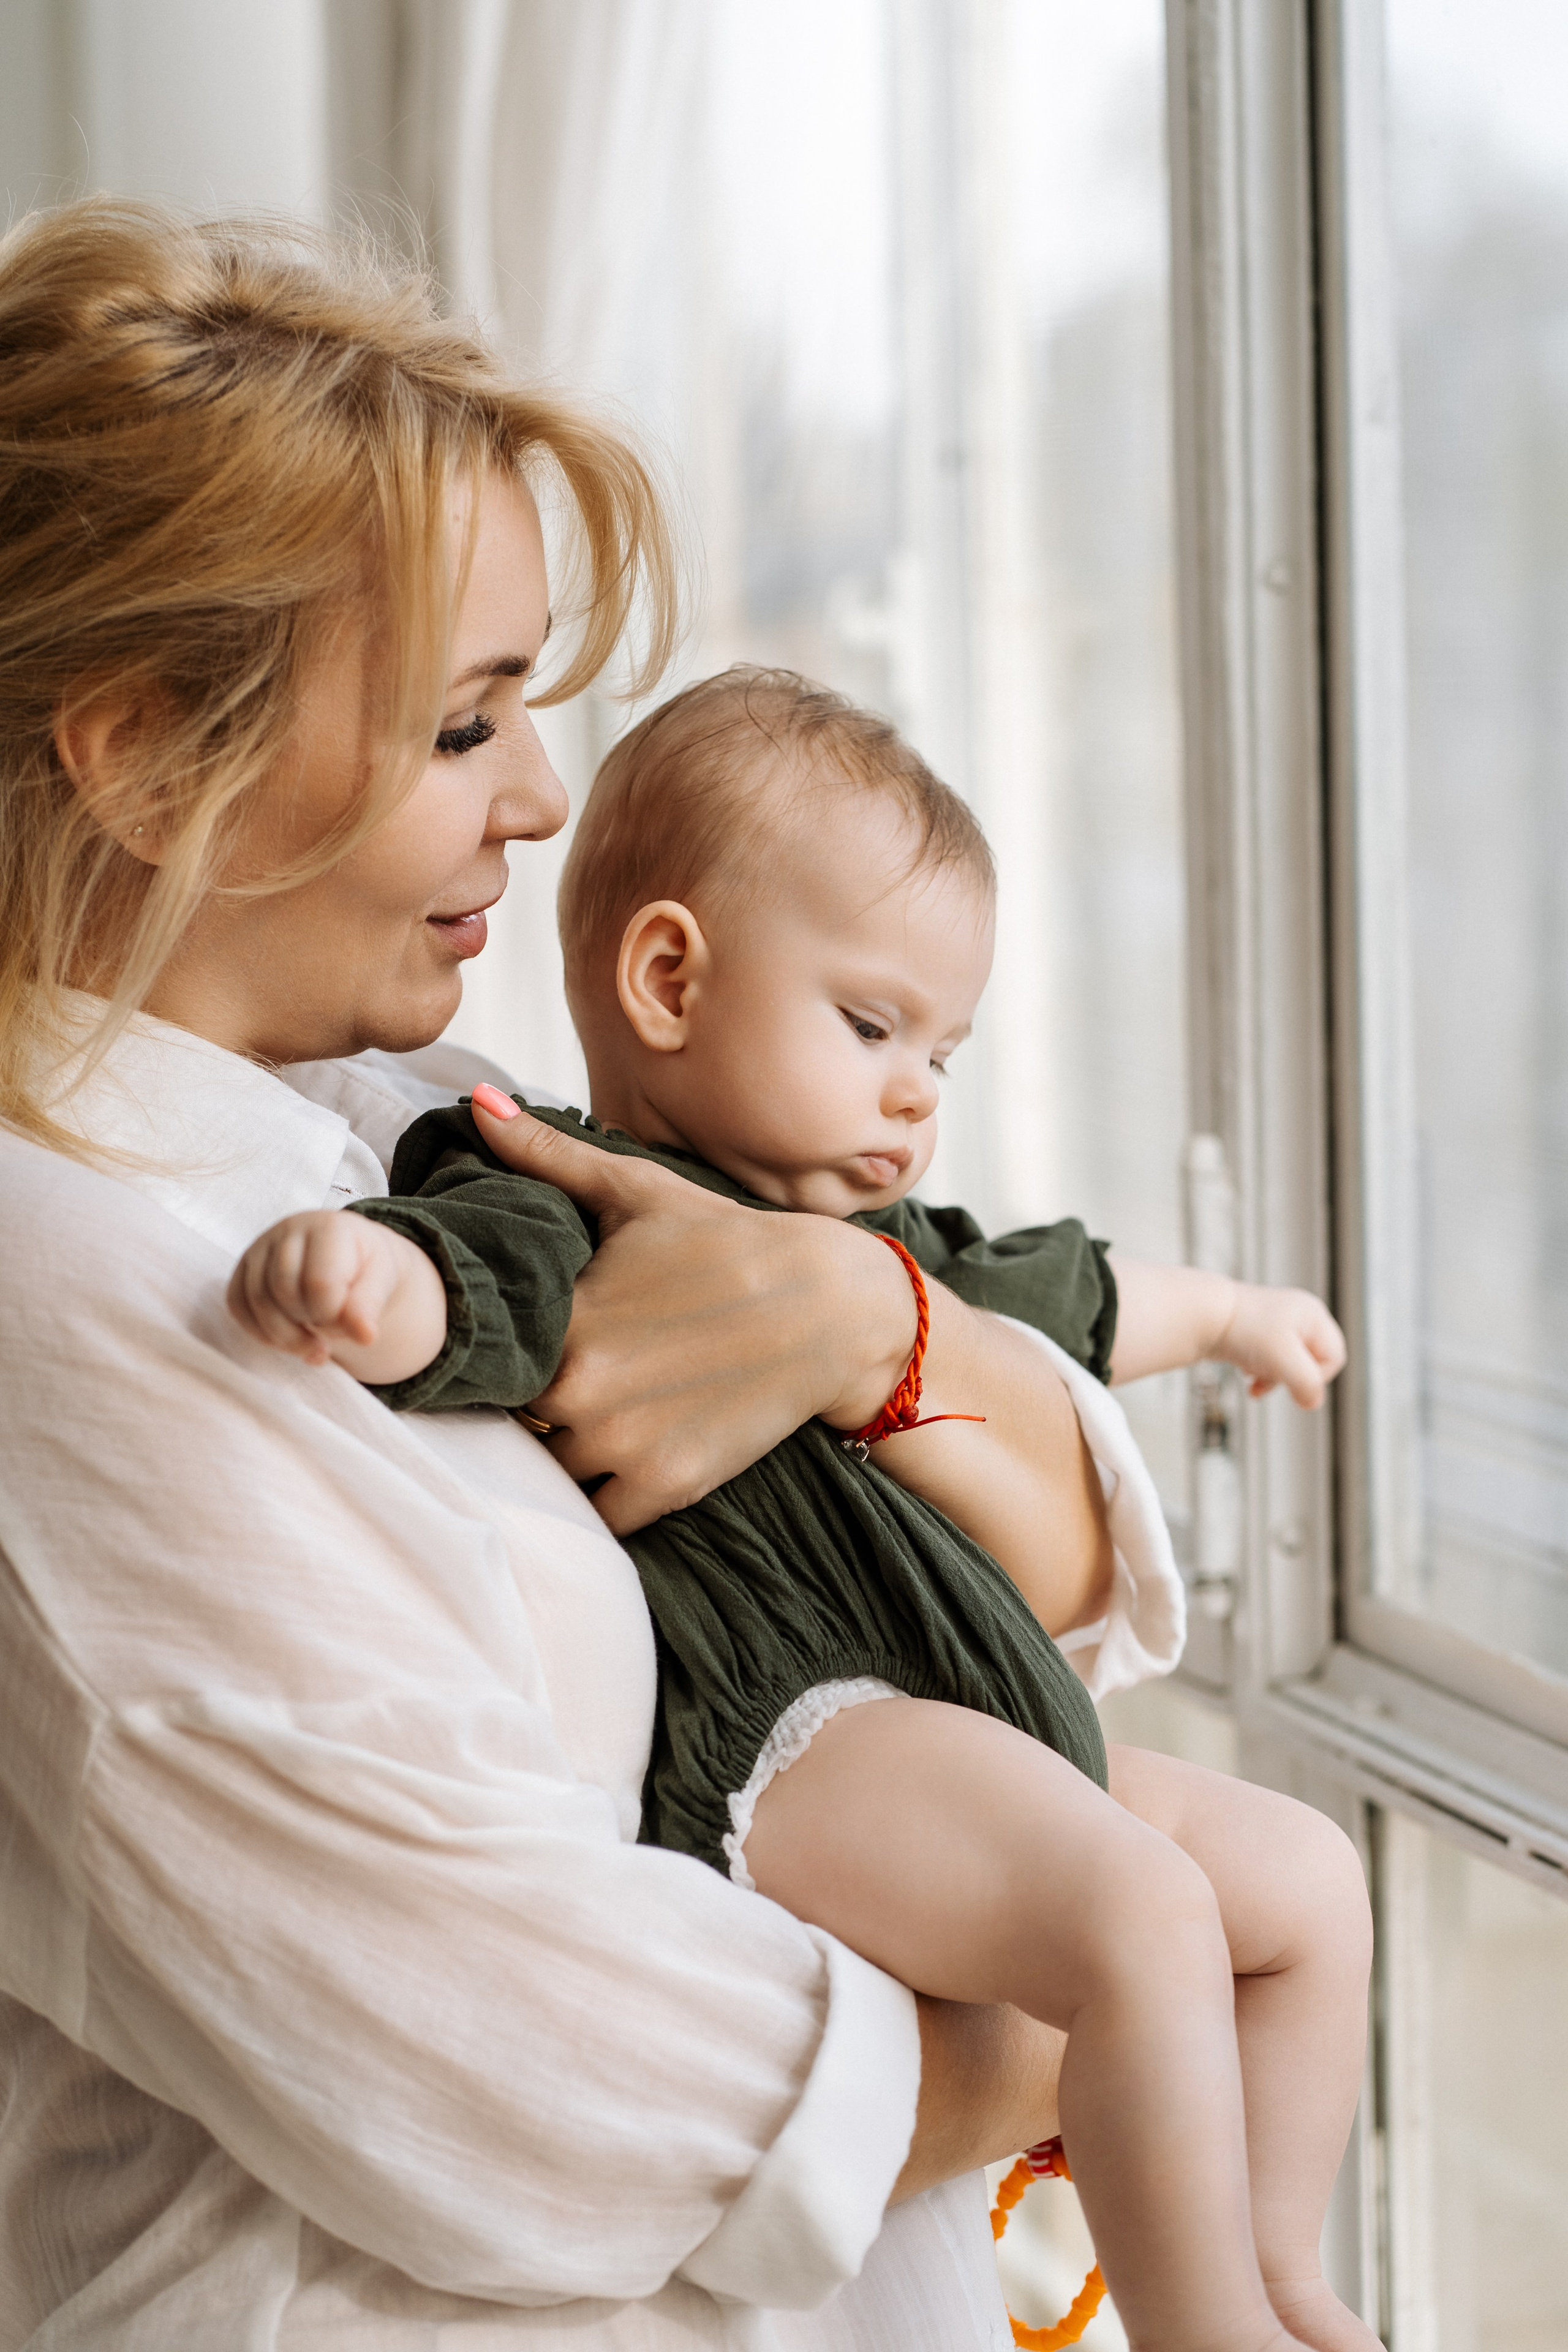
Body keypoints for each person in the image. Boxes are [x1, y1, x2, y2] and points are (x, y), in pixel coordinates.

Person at [0, 197, 1164, 2350]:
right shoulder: (65, 1291)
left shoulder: (400, 1119)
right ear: (146, 753)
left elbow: (1066, 1571)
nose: (546, 797)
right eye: (465, 726)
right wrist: (1094, 1989)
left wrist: (873, 1330)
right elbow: (550, 2096)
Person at [233, 667, 1374, 2352]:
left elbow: (1066, 1298)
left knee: (1309, 1876)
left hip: (958, 1705)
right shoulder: (555, 1180)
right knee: (1140, 1916)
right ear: (671, 976)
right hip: (800, 1727)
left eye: (944, 1050)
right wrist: (369, 1286)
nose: (917, 1091)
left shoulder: (869, 1244)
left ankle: (1280, 2277)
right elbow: (487, 1289)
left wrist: (1230, 1319)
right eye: (871, 1027)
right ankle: (1206, 2329)